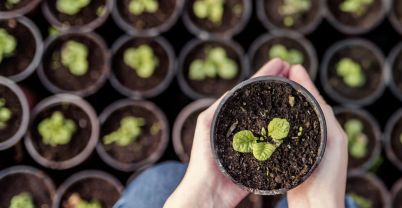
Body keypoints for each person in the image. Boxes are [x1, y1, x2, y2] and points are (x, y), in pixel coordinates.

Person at [114, 59, 351, 208]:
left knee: (160, 181)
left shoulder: (268, 138)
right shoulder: (261, 141)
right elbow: (257, 145)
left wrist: (201, 200)